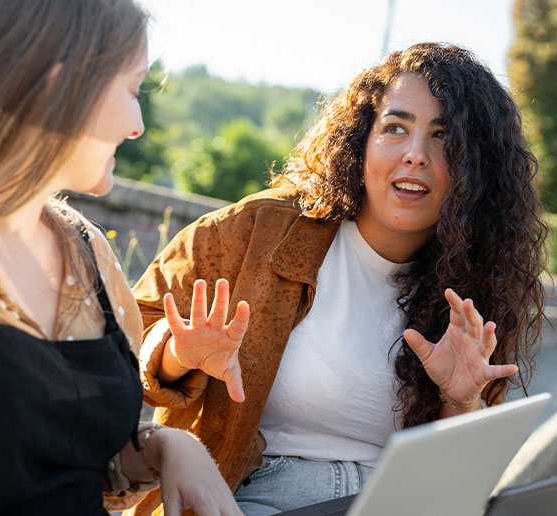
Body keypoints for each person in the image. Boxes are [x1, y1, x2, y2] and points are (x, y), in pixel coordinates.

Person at [128, 42, 548, 516]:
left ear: (476, 169)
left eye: (443, 138)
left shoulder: (482, 277)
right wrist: (176, 352)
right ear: (360, 140)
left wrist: (461, 401)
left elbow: (455, 478)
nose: (415, 155)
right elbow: (126, 337)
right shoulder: (257, 231)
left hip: (395, 502)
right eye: (396, 128)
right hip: (259, 495)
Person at [0, 1, 242, 515]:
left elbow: (85, 461)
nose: (138, 126)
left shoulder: (89, 253)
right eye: (133, 89)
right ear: (57, 90)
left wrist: (168, 446)